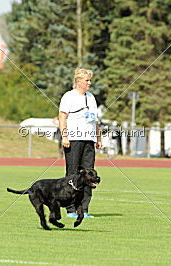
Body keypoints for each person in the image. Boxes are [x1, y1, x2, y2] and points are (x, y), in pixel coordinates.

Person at [58, 68, 102, 218]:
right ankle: (71, 208)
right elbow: (62, 117)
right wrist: (65, 136)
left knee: (89, 174)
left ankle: (83, 208)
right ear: (78, 81)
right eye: (87, 80)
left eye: (90, 80)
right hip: (74, 139)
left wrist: (98, 137)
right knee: (72, 173)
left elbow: (95, 120)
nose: (89, 83)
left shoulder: (91, 97)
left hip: (89, 139)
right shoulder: (68, 96)